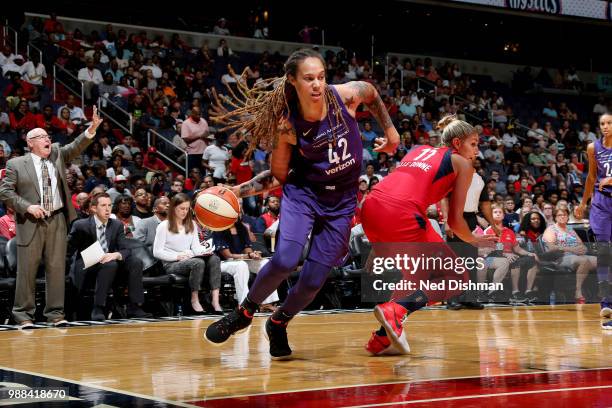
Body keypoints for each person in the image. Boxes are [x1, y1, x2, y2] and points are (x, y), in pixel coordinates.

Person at [205, 48, 399, 359]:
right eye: (308, 78)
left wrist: (390, 133)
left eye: (321, 77)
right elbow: (279, 176)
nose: (317, 84)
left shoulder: (346, 96)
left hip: (341, 203)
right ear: (293, 81)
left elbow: (372, 93)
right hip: (304, 195)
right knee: (284, 259)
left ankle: (279, 322)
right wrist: (236, 191)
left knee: (312, 282)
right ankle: (244, 312)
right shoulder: (289, 125)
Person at [360, 115, 497, 355]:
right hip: (400, 212)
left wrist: (376, 246)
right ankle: (396, 311)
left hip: (371, 207)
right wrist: (475, 239)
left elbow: (400, 190)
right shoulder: (462, 164)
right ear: (457, 143)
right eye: (474, 144)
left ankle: (382, 339)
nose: (477, 151)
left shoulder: (418, 150)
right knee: (457, 277)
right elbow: (455, 221)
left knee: (416, 276)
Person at [0, 107, 102, 328]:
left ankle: (55, 314)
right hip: (30, 222)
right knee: (27, 270)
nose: (48, 139)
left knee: (56, 268)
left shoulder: (56, 152)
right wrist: (27, 207)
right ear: (31, 143)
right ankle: (23, 315)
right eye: (42, 137)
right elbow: (5, 192)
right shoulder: (16, 164)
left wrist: (91, 129)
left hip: (56, 219)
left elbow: (75, 147)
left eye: (48, 136)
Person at [68, 192, 150, 321]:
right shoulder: (81, 225)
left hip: (109, 263)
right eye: (103, 205)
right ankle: (98, 307)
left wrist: (116, 254)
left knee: (136, 262)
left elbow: (126, 249)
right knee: (110, 264)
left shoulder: (116, 224)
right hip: (88, 264)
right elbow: (68, 250)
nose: (107, 209)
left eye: (109, 205)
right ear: (94, 208)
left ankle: (134, 306)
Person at [153, 193, 222, 314]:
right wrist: (177, 256)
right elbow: (157, 252)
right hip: (171, 263)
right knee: (198, 263)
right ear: (174, 208)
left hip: (189, 259)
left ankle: (215, 301)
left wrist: (205, 252)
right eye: (182, 209)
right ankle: (194, 299)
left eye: (187, 209)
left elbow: (195, 247)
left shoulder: (192, 224)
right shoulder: (163, 226)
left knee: (214, 259)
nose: (185, 212)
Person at [575, 113, 612, 328]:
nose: (605, 127)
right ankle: (605, 302)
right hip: (600, 204)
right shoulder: (593, 148)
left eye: (609, 123)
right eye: (602, 124)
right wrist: (583, 203)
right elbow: (590, 177)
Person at [544, 207, 596, 304]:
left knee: (601, 261)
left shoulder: (570, 229)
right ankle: (578, 292)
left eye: (565, 215)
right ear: (555, 217)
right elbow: (551, 247)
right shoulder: (551, 229)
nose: (562, 217)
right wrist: (572, 249)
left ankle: (602, 292)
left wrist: (583, 249)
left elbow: (581, 244)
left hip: (577, 255)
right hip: (561, 257)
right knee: (584, 261)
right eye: (559, 215)